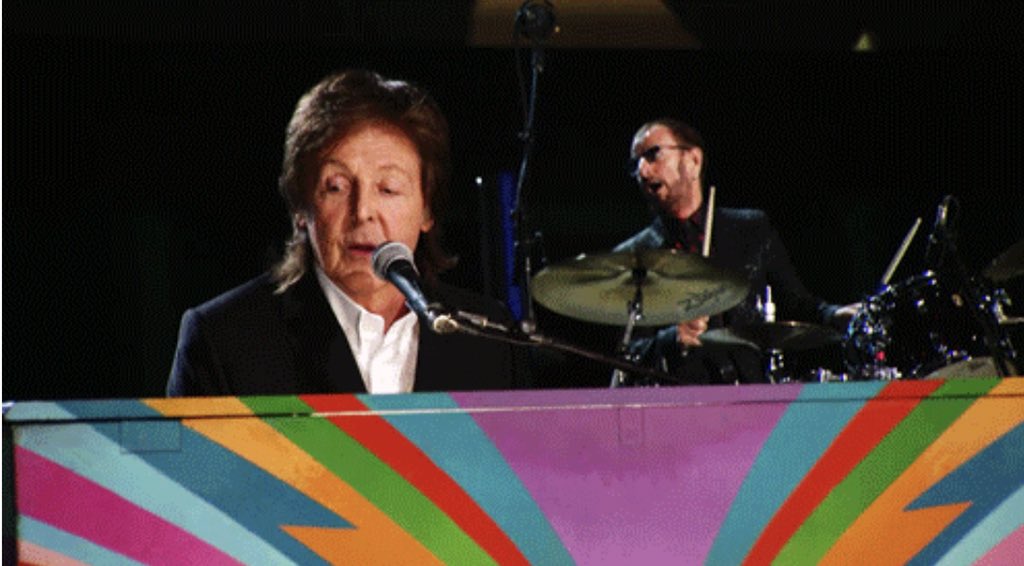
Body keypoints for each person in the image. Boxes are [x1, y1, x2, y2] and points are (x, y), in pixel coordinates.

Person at [167, 69, 522, 396]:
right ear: (301, 207)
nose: (362, 211)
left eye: (388, 188)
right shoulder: (225, 340)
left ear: (427, 209)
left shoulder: (488, 341)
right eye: (336, 186)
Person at [614, 118, 858, 384]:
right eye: (635, 163)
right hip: (679, 402)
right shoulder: (635, 255)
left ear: (693, 160)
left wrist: (834, 315)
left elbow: (797, 305)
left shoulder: (750, 230)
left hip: (751, 394)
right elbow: (628, 355)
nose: (642, 171)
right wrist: (673, 339)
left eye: (653, 154)